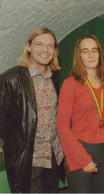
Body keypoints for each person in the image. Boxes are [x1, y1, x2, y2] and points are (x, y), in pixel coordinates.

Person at [0, 27, 64, 192]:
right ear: (28, 47)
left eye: (50, 46)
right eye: (39, 44)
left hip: (53, 157)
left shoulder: (56, 78)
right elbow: (2, 123)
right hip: (28, 160)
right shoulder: (11, 79)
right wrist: (17, 145)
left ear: (55, 50)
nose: (45, 50)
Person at [57, 34, 104, 193]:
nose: (91, 55)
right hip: (81, 149)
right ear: (79, 55)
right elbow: (62, 126)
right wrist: (83, 159)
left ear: (100, 53)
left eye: (94, 50)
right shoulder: (70, 84)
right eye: (85, 51)